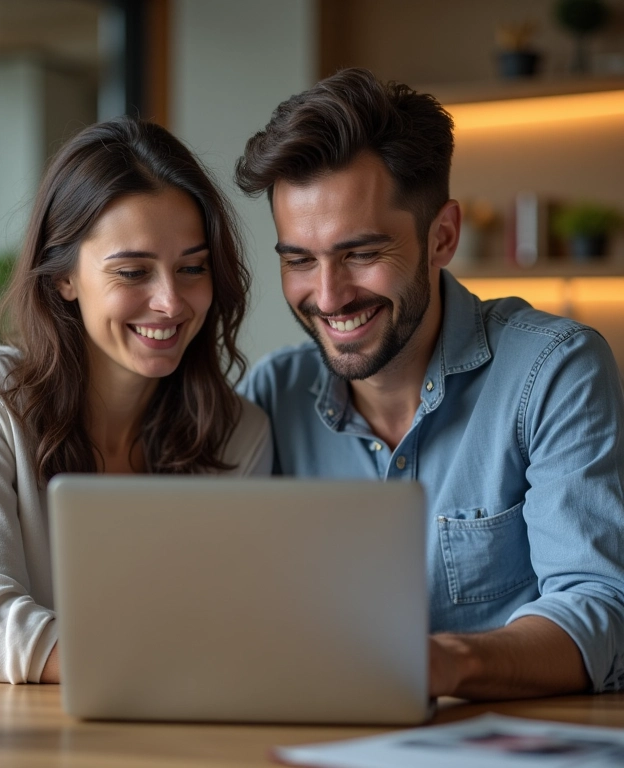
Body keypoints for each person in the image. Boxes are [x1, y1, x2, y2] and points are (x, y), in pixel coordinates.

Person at [234, 68, 624, 700]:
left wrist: (441, 665)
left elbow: (601, 610)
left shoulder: (554, 370)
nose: (328, 297)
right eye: (299, 260)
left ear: (442, 237)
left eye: (361, 254)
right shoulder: (272, 396)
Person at [0, 117, 272, 684]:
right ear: (64, 277)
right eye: (133, 271)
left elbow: (230, 630)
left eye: (192, 268)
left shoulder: (239, 435)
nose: (170, 301)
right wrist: (153, 661)